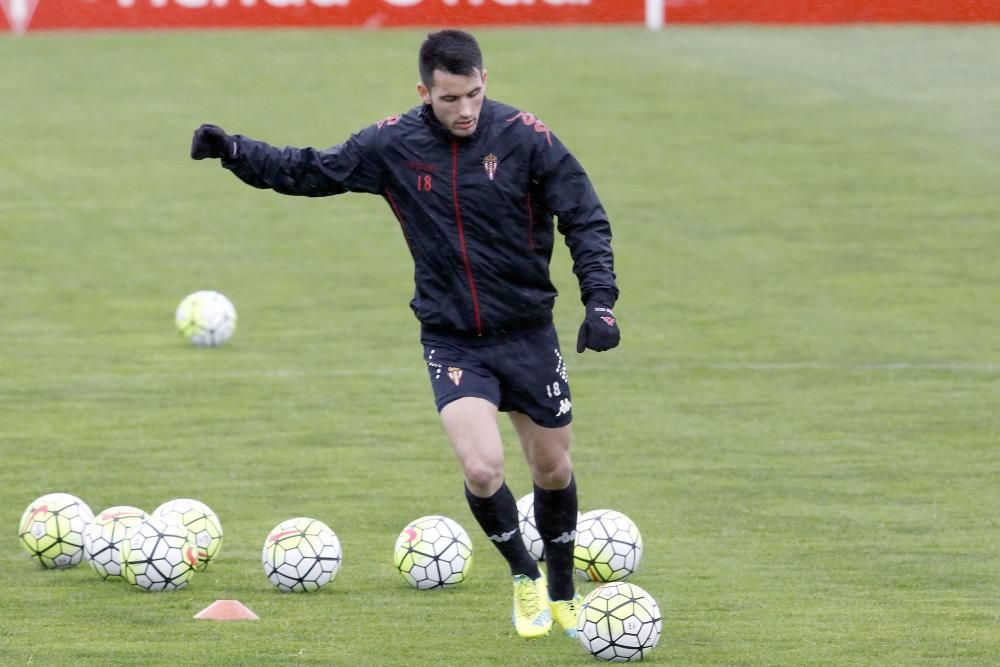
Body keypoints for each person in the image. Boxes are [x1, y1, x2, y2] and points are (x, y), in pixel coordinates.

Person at [190, 29, 620, 639]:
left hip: (528, 333)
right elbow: (312, 170)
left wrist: (600, 303)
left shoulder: (526, 136)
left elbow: (585, 216)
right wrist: (234, 150)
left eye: (473, 94)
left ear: (485, 82)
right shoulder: (392, 143)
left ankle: (562, 588)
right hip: (453, 339)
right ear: (424, 92)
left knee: (551, 469)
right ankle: (525, 576)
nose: (465, 110)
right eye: (450, 99)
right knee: (481, 468)